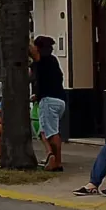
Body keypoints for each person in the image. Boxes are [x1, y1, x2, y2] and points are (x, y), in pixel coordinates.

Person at [31, 35, 67, 171]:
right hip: (60, 100)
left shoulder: (41, 60)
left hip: (48, 101)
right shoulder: (53, 61)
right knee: (43, 130)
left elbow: (33, 53)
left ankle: (56, 161)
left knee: (51, 132)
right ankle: (50, 154)